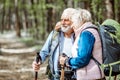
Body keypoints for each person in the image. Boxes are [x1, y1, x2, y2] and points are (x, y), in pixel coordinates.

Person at [59, 9, 105, 80]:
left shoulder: (86, 33)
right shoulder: (91, 30)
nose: (72, 26)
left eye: (73, 22)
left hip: (91, 77)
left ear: (80, 21)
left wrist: (66, 61)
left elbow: (82, 59)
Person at [32, 8, 77, 80]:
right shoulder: (55, 34)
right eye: (61, 20)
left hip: (75, 76)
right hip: (56, 76)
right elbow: (44, 51)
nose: (62, 22)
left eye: (66, 20)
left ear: (74, 21)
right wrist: (38, 61)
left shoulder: (80, 36)